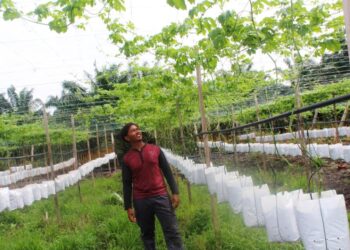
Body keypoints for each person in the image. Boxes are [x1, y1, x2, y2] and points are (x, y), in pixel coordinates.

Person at [120, 122, 184, 250]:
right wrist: (128, 207)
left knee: (172, 231)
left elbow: (167, 171)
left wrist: (175, 192)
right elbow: (127, 183)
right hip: (141, 200)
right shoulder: (127, 158)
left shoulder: (155, 149)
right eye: (133, 130)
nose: (138, 131)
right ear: (127, 138)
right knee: (147, 234)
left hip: (161, 196)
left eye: (138, 129)